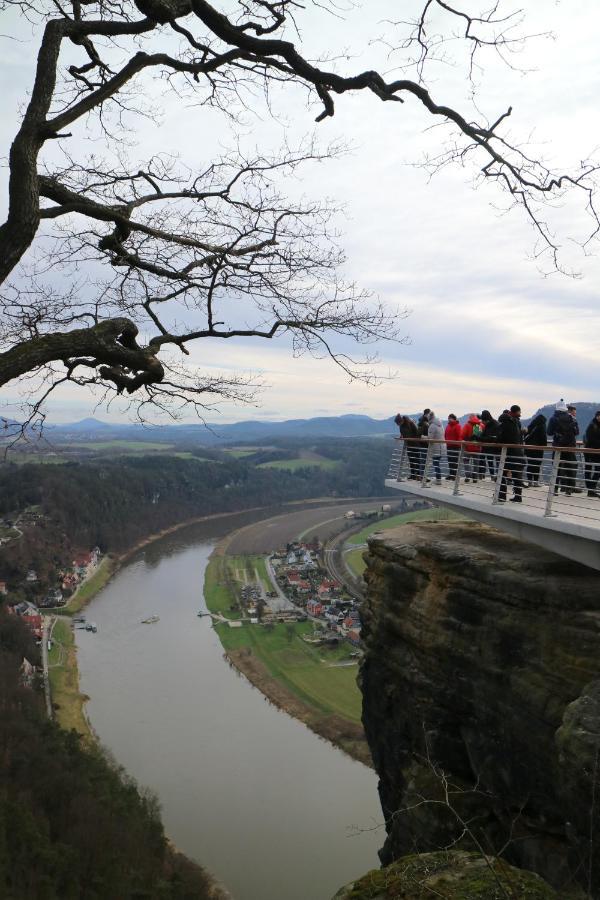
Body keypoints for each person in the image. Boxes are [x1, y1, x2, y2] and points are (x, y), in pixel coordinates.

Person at [547, 400, 579, 495]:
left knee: (556, 467)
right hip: (570, 447)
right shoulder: (571, 417)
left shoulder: (553, 418)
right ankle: (568, 490)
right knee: (570, 467)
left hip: (558, 446)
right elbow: (577, 432)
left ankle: (555, 489)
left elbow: (549, 432)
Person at [496, 405, 525, 502]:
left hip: (507, 453)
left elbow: (500, 438)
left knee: (502, 474)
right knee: (517, 475)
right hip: (518, 451)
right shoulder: (517, 422)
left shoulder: (504, 423)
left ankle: (502, 495)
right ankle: (518, 496)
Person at [524, 413, 547, 487]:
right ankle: (536, 482)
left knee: (530, 464)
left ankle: (529, 481)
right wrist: (544, 446)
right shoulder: (542, 426)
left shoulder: (531, 425)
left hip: (529, 449)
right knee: (537, 465)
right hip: (538, 449)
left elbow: (526, 435)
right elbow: (543, 437)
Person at [461, 413, 483, 482]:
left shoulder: (467, 425)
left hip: (468, 447)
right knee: (476, 463)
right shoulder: (481, 425)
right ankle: (475, 478)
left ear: (470, 418)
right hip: (477, 447)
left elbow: (462, 435)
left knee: (466, 461)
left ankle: (468, 476)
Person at [397, 415, 420, 480]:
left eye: (398, 423)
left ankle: (418, 475)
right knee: (411, 460)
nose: (398, 425)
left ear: (401, 421)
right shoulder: (401, 426)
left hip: (415, 445)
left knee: (417, 460)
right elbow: (402, 433)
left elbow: (417, 432)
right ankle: (413, 475)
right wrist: (401, 436)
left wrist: (413, 439)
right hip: (409, 445)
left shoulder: (411, 423)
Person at [584, 411, 600, 498]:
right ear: (597, 416)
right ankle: (590, 490)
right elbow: (591, 440)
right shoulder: (592, 425)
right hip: (590, 451)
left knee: (597, 469)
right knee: (588, 469)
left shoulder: (596, 425)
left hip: (596, 451)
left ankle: (591, 489)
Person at [480, 409, 499, 479]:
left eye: (483, 421)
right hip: (486, 447)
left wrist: (480, 438)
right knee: (483, 460)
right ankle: (488, 475)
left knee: (492, 461)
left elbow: (492, 438)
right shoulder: (488, 424)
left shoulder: (495, 425)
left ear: (486, 419)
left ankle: (494, 476)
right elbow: (484, 435)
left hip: (493, 448)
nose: (482, 422)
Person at [427, 413, 445, 484]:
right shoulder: (440, 425)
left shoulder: (432, 426)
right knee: (437, 463)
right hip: (442, 446)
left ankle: (438, 479)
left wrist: (423, 437)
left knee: (436, 463)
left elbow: (430, 438)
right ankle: (438, 479)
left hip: (435, 447)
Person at [445, 413, 462, 479]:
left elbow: (459, 436)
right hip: (449, 446)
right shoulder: (448, 426)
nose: (449, 419)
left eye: (450, 418)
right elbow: (445, 434)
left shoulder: (458, 426)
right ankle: (451, 475)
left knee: (454, 461)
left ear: (454, 419)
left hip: (455, 446)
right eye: (448, 418)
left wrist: (458, 444)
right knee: (450, 461)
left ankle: (455, 475)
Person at [416, 408, 431, 478]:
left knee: (423, 460)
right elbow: (420, 434)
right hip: (424, 444)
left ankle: (422, 476)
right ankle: (423, 476)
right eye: (429, 414)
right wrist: (427, 437)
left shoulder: (421, 422)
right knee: (424, 461)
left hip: (422, 444)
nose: (430, 415)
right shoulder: (424, 423)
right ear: (426, 414)